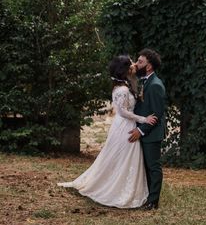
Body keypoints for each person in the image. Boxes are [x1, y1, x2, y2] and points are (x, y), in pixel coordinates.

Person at [58, 56, 157, 208]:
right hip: (125, 125)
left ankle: (122, 185)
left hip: (124, 124)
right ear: (124, 70)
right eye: (130, 64)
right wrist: (144, 119)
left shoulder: (124, 85)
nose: (133, 65)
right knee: (123, 156)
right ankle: (115, 189)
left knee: (123, 158)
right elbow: (123, 112)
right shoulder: (123, 89)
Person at [128, 48, 166, 210]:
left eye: (141, 61)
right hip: (142, 130)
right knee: (144, 167)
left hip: (151, 134)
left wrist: (141, 130)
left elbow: (157, 114)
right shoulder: (144, 81)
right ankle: (146, 196)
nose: (137, 64)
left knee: (153, 167)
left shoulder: (156, 85)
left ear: (149, 66)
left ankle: (153, 202)